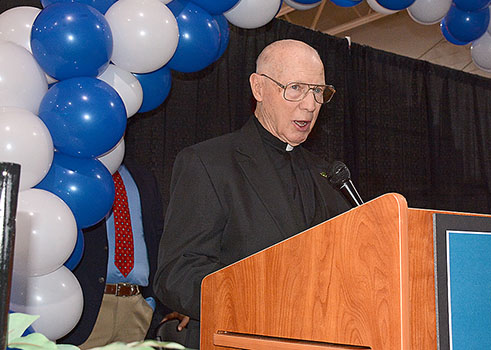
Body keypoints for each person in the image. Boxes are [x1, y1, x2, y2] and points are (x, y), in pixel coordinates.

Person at [153, 39, 352, 349]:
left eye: (318, 91)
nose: (310, 105)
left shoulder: (327, 176)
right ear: (259, 88)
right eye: (296, 88)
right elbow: (176, 275)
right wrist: (257, 301)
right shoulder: (208, 162)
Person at [59, 160, 168, 348]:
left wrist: (151, 302)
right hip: (90, 309)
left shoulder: (142, 176)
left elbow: (158, 237)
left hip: (137, 309)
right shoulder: (78, 174)